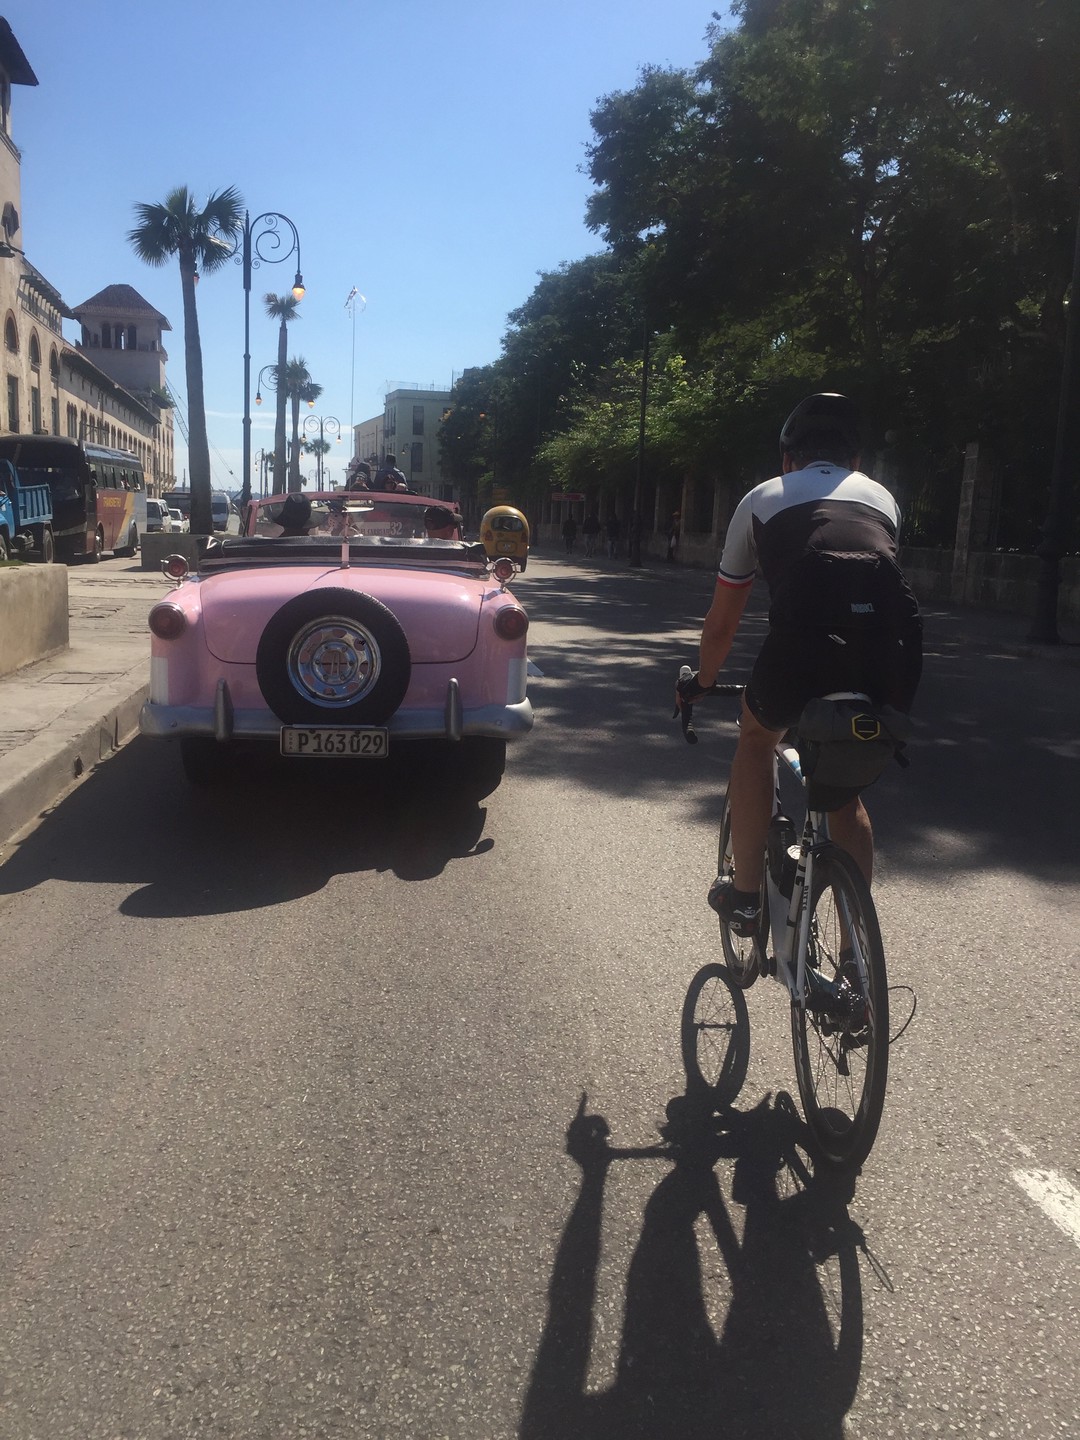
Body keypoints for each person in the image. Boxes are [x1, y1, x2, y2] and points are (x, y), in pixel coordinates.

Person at [676, 392, 922, 935]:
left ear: (788, 459)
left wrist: (703, 681)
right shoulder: (883, 499)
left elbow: (722, 621)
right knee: (843, 787)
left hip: (801, 651)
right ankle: (857, 942)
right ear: (855, 462)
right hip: (881, 657)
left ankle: (744, 899)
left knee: (757, 738)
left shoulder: (762, 498)